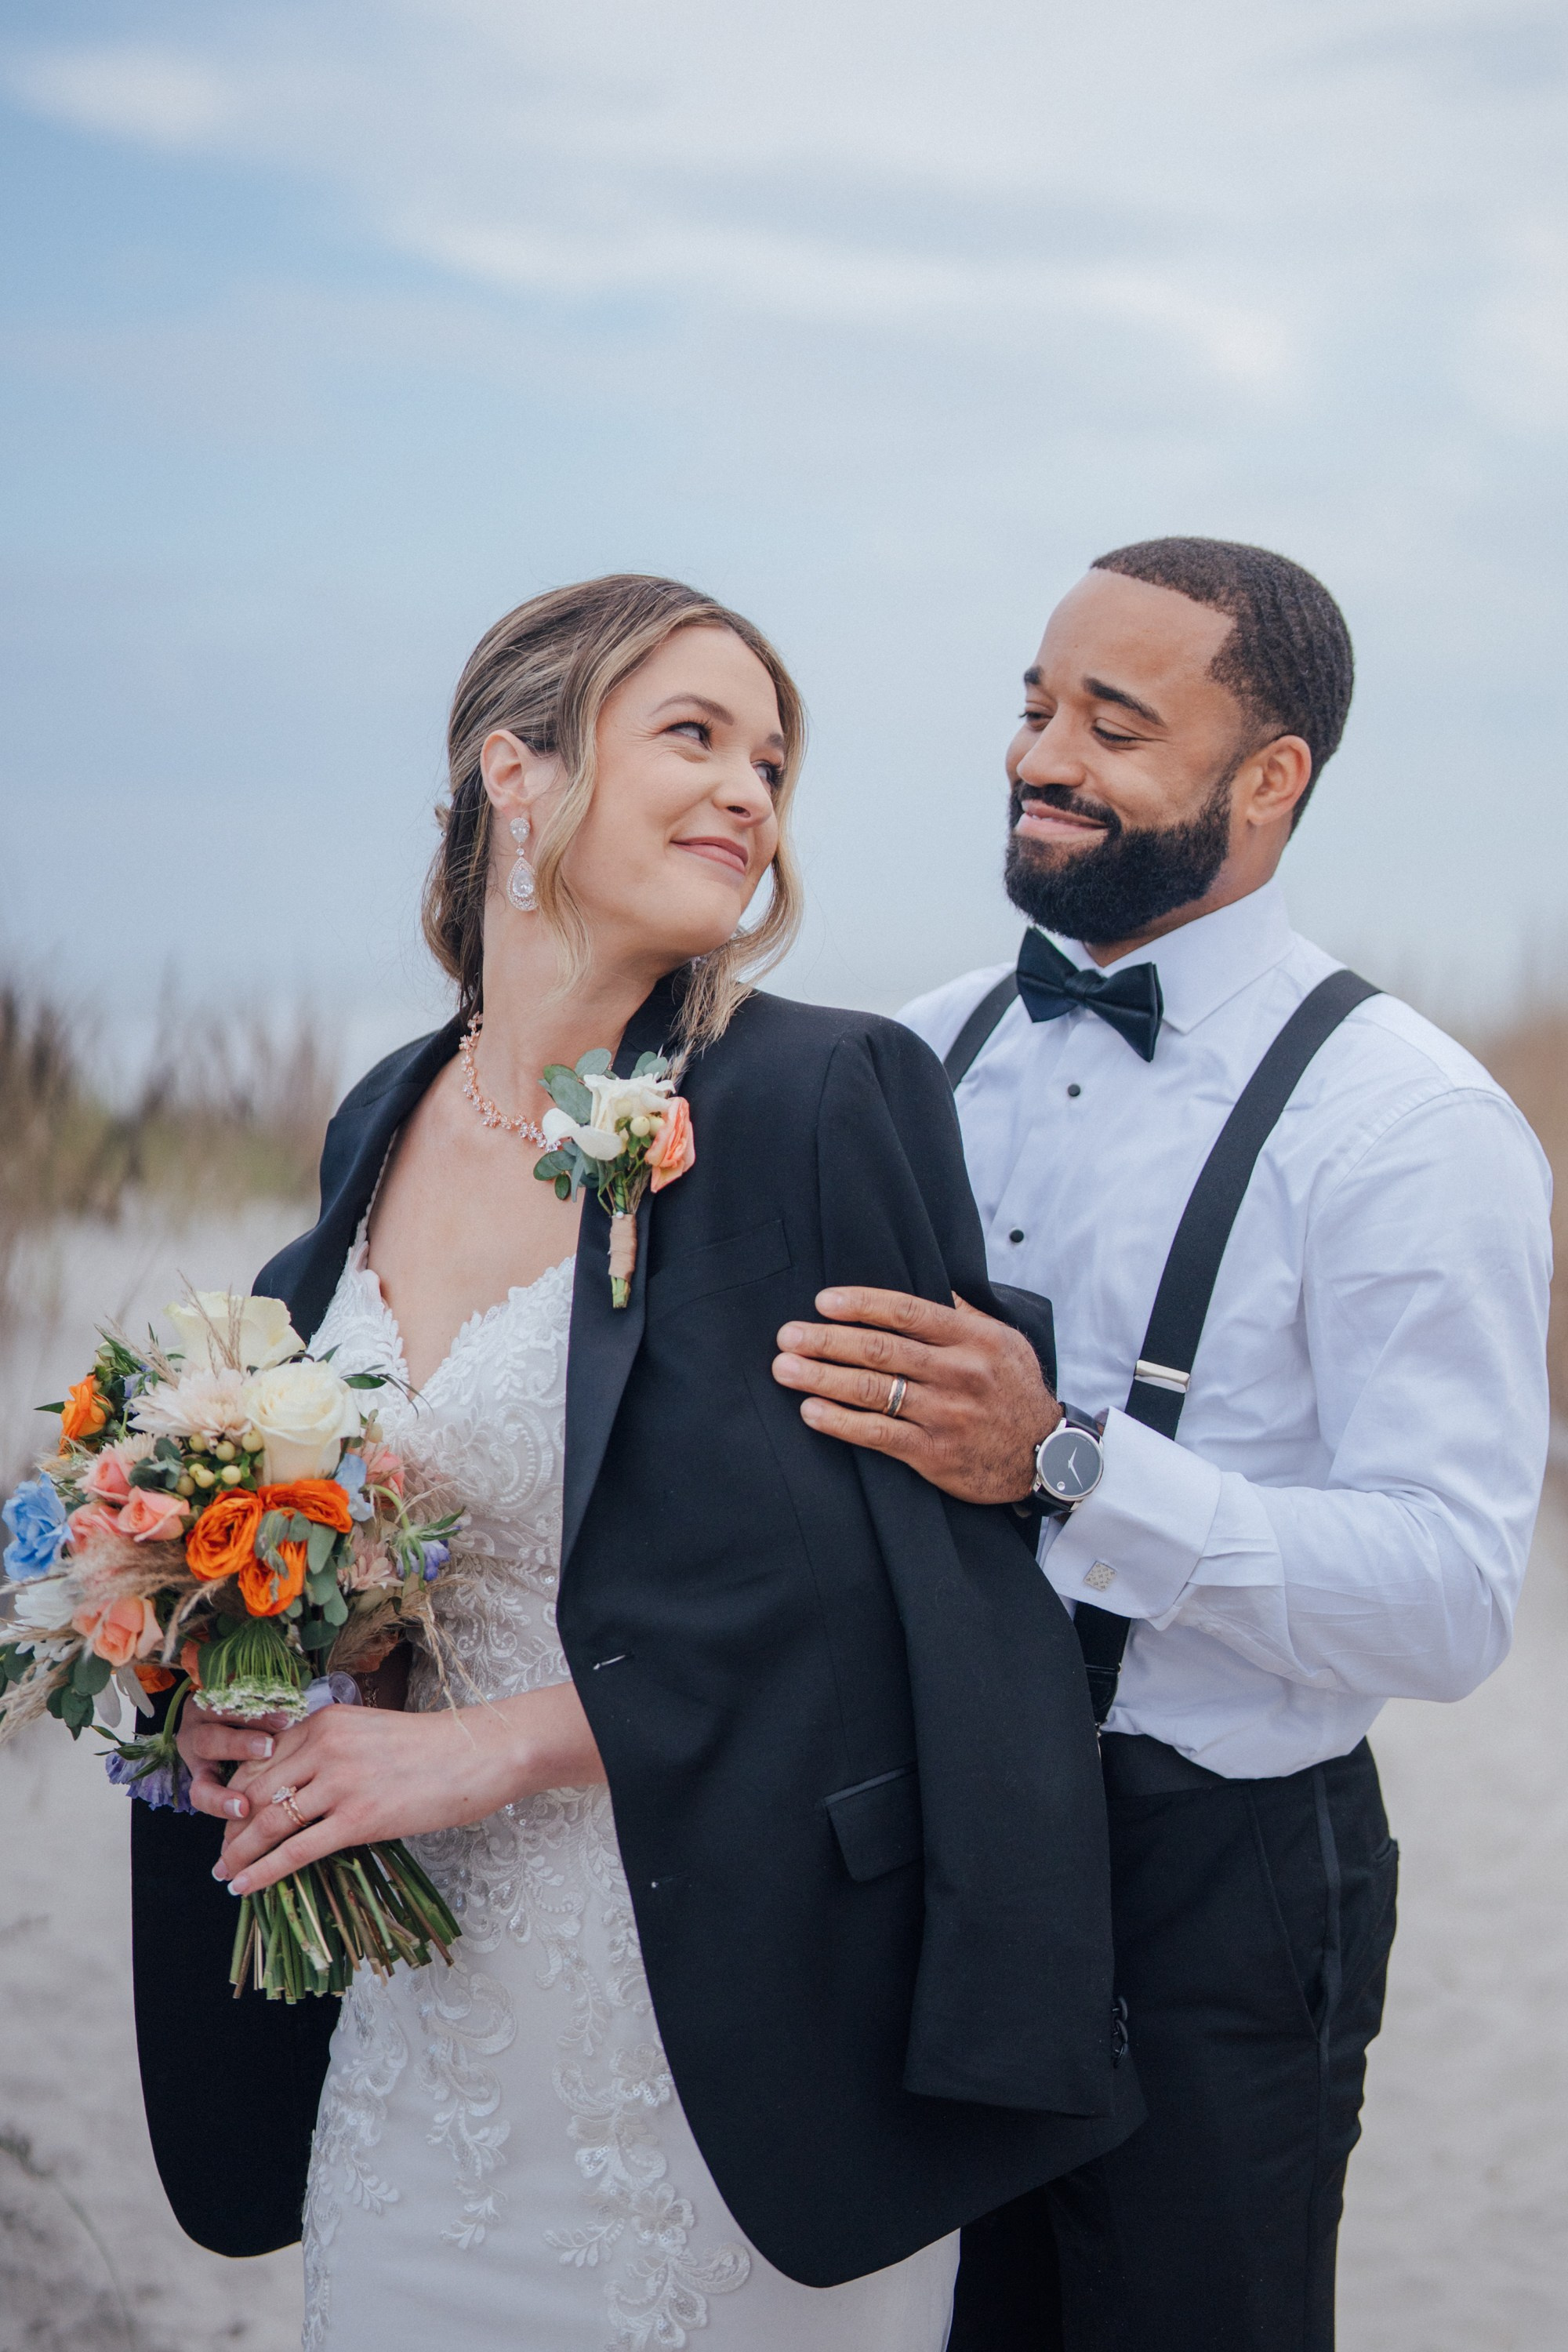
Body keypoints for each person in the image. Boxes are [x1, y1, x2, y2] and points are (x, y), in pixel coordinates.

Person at [129, 574, 1141, 2352]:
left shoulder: (827, 1095)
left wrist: (479, 1753)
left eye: (772, 759)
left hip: (723, 2027)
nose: (752, 792)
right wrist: (247, 1675)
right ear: (513, 774)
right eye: (692, 733)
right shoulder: (380, 1114)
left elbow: (882, 1614)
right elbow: (381, 1530)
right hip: (421, 2024)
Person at [770, 537, 1553, 2350]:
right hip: (926, 1839)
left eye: (1114, 724)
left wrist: (1068, 1469)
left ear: (1266, 780)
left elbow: (1449, 1600)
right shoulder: (917, 1051)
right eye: (1036, 706)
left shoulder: (1407, 1125)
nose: (1043, 754)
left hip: (1210, 1874)